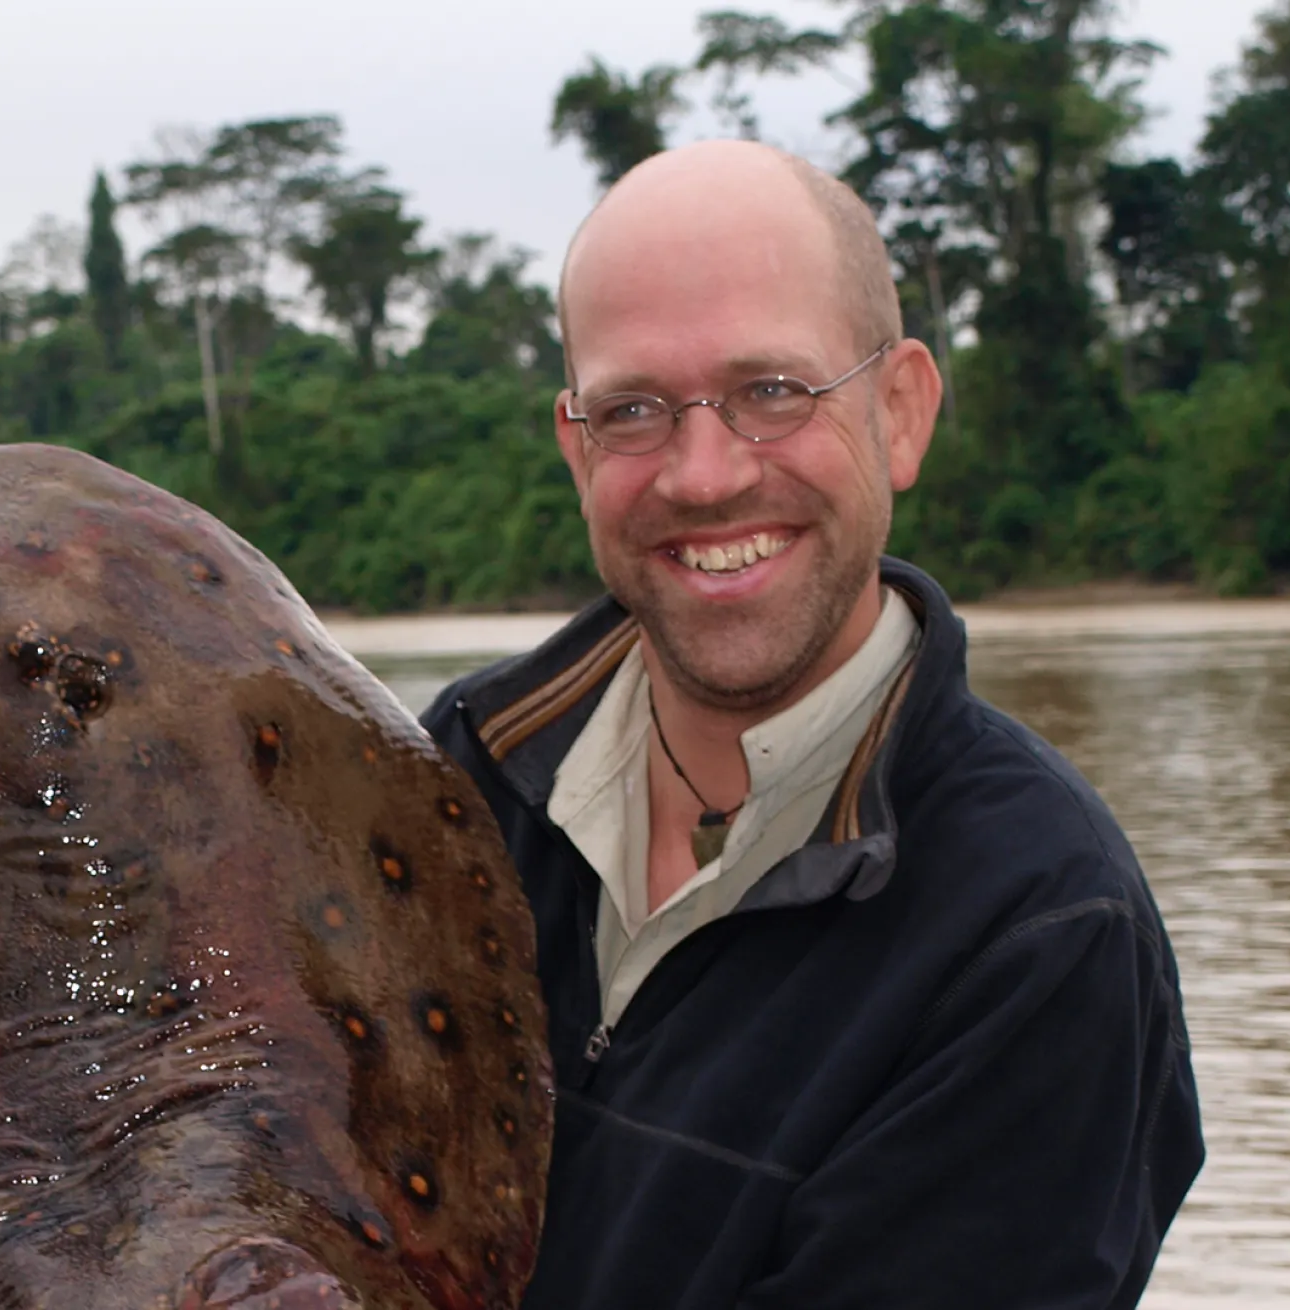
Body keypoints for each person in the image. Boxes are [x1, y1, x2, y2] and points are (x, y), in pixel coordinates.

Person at [421, 140, 1204, 1308]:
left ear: (900, 412)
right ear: (577, 448)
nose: (701, 474)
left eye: (771, 392)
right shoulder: (450, 781)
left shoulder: (1039, 928)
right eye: (633, 409)